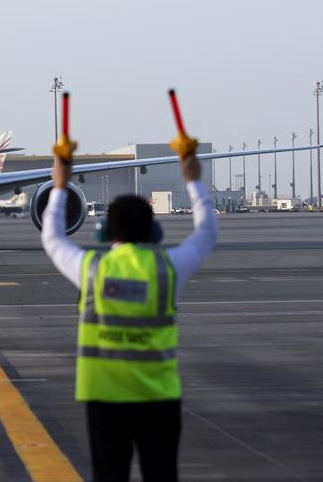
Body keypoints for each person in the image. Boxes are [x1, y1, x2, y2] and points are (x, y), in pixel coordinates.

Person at [41, 151, 217, 482]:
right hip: (158, 399)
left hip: (105, 398)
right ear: (154, 232)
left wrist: (60, 185)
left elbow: (52, 238)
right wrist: (193, 178)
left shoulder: (94, 271)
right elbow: (207, 232)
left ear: (105, 232)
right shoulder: (168, 269)